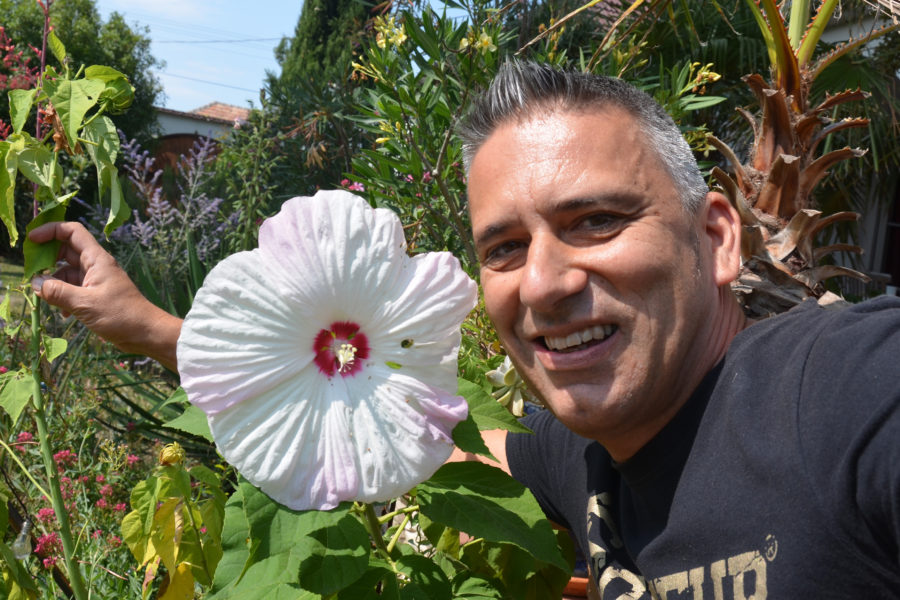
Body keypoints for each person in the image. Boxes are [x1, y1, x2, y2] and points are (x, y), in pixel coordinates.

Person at [29, 61, 900, 598]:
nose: (548, 284)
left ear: (716, 238)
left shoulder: (838, 394)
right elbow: (420, 435)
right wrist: (156, 328)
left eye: (596, 219)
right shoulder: (590, 459)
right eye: (506, 247)